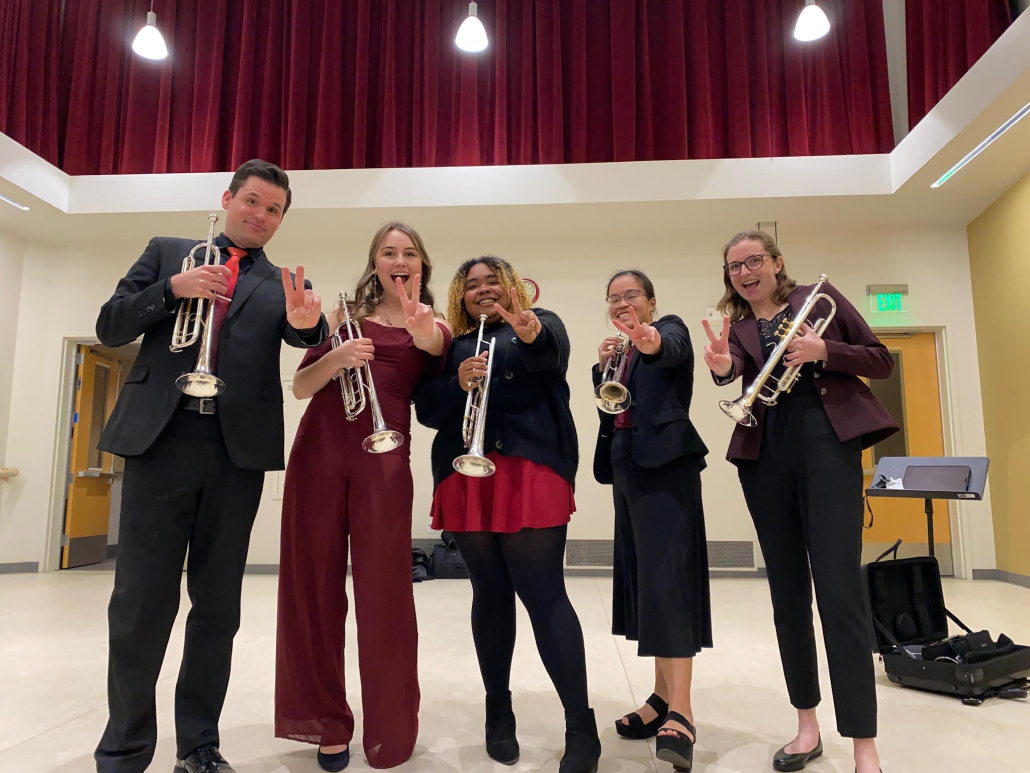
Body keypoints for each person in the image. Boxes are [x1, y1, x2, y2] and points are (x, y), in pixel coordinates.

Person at [94, 159, 328, 773]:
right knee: (141, 602)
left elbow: (310, 333)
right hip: (161, 441)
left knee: (218, 605)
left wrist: (309, 328)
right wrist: (174, 290)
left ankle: (199, 745)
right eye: (252, 201)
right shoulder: (170, 251)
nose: (261, 215)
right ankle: (123, 749)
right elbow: (111, 323)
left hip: (235, 452)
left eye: (274, 210)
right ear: (228, 198)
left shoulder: (280, 282)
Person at [702, 230, 897, 773]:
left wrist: (825, 350)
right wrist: (721, 365)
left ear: (776, 262)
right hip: (764, 456)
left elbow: (879, 359)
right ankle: (806, 726)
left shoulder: (817, 300)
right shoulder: (740, 327)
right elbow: (732, 369)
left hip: (827, 446)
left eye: (754, 260)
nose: (745, 272)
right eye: (734, 266)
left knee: (839, 596)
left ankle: (864, 747)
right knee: (787, 595)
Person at [414, 256, 601, 773]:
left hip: (531, 468)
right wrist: (457, 382)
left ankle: (581, 726)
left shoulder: (542, 322)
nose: (482, 290)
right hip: (465, 473)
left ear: (512, 287)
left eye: (492, 281)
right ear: (461, 296)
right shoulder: (451, 343)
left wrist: (531, 330)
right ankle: (499, 710)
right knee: (489, 593)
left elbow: (551, 358)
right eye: (471, 285)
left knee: (544, 595)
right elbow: (427, 411)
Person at [274, 222, 449, 772]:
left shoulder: (433, 322)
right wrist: (336, 355)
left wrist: (421, 327)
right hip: (319, 453)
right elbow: (301, 387)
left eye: (409, 254)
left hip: (385, 459)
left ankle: (390, 731)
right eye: (388, 252)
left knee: (386, 596)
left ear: (421, 265)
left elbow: (435, 346)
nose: (399, 260)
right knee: (313, 588)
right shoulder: (341, 318)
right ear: (374, 262)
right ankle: (326, 723)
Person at [592, 270, 711, 772]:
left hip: (665, 470)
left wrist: (651, 338)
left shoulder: (670, 328)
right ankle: (661, 699)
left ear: (651, 301)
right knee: (647, 582)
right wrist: (603, 371)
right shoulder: (617, 354)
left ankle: (681, 710)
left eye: (631, 295)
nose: (623, 303)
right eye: (614, 298)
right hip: (627, 470)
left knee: (669, 581)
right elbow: (610, 409)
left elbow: (673, 348)